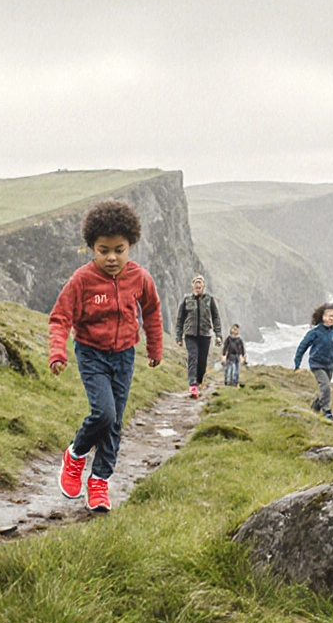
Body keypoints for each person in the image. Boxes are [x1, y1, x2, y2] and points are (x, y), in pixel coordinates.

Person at [49, 201, 163, 512]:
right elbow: (60, 317)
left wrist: (155, 348)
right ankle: (75, 454)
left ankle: (99, 482)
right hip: (91, 354)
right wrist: (57, 351)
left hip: (125, 356)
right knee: (104, 414)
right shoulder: (82, 280)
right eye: (103, 250)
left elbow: (152, 312)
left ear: (131, 246)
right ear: (92, 248)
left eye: (119, 249)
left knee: (115, 424)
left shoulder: (140, 278)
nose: (111, 257)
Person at [174, 275, 222, 398]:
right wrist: (179, 337)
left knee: (202, 362)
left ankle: (198, 381)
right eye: (196, 283)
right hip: (190, 335)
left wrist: (218, 335)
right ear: (193, 286)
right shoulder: (186, 300)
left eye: (200, 283)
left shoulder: (209, 300)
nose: (198, 285)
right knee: (192, 358)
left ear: (203, 286)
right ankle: (193, 385)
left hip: (205, 335)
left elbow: (216, 317)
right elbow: (180, 319)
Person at [294, 303, 333, 420]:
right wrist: (297, 363)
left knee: (323, 389)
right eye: (327, 316)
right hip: (317, 364)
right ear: (322, 316)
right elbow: (302, 346)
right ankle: (327, 411)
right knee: (326, 387)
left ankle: (314, 408)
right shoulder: (315, 332)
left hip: (329, 365)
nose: (330, 318)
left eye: (332, 316)